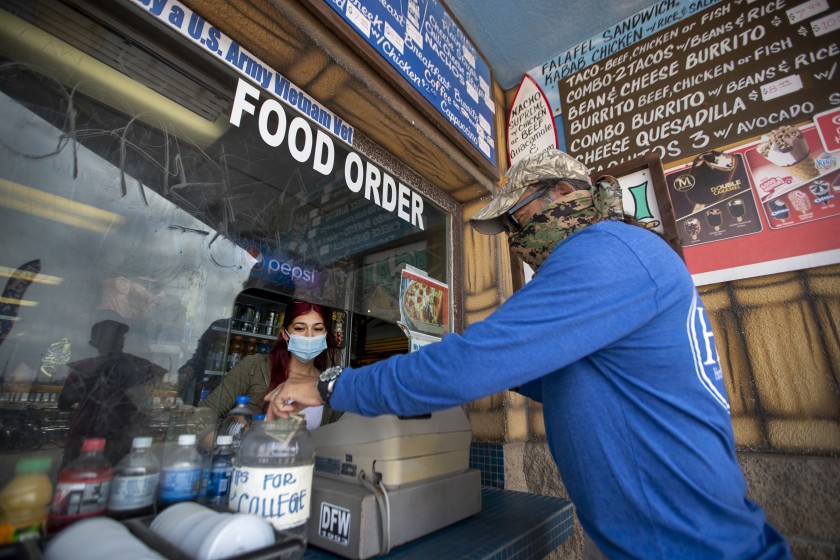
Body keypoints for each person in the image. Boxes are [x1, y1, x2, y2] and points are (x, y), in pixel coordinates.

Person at [266, 149, 791, 559]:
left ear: (563, 192)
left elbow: (474, 366)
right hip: (647, 536)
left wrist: (334, 384)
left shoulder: (604, 253)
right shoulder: (623, 256)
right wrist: (478, 356)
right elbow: (565, 381)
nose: (516, 240)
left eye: (517, 219)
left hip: (686, 546)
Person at [200, 300, 342, 436]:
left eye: (317, 329)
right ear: (285, 334)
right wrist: (229, 445)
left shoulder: (329, 386)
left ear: (325, 334)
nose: (310, 336)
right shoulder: (254, 366)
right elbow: (205, 414)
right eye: (300, 328)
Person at [58, 320, 164, 466]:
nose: (115, 341)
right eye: (109, 337)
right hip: (85, 437)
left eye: (118, 337)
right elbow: (64, 401)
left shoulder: (139, 366)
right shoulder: (84, 367)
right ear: (94, 342)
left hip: (121, 437)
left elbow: (144, 404)